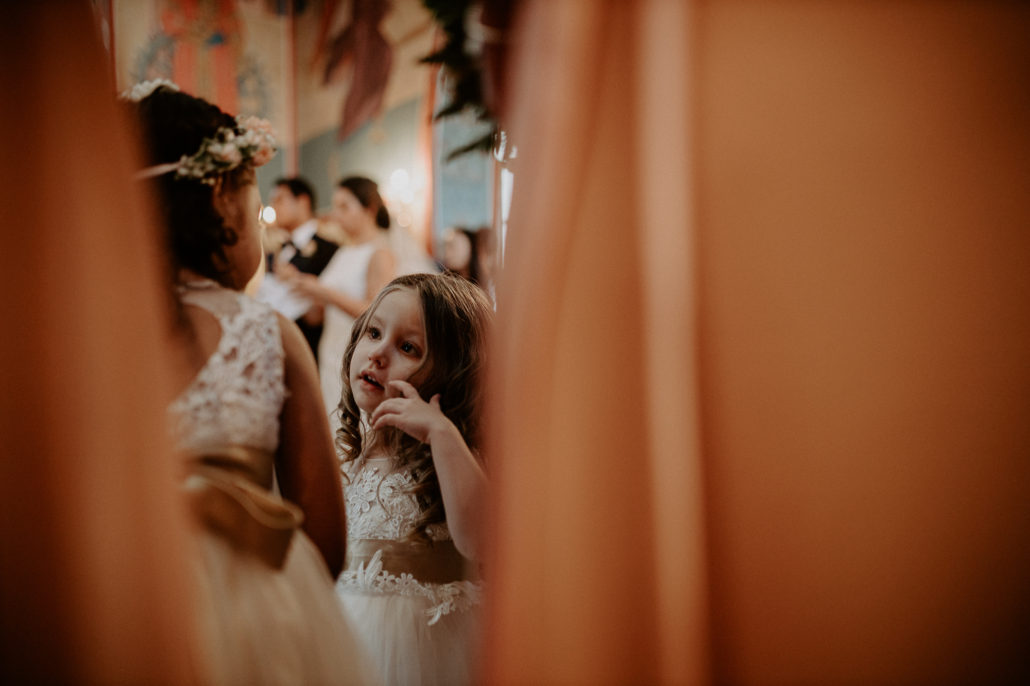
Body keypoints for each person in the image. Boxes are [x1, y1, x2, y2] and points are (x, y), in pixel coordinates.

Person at [129, 82, 376, 685]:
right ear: (220, 196)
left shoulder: (76, 338)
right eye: (252, 198)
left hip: (123, 609)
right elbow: (324, 539)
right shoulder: (265, 331)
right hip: (259, 626)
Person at [334, 272, 491, 686]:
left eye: (408, 347)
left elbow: (480, 537)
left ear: (453, 374)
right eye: (373, 332)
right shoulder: (354, 454)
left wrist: (442, 434)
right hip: (352, 641)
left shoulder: (452, 453)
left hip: (428, 651)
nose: (378, 354)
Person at [279, 176, 396, 430]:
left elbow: (376, 313)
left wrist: (323, 292)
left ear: (369, 210)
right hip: (330, 349)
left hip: (356, 352)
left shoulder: (380, 253)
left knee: (352, 430)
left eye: (345, 207)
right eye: (335, 206)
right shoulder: (343, 252)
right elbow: (318, 316)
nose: (336, 214)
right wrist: (300, 287)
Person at [258, 176, 338, 361]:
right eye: (272, 201)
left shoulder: (329, 249)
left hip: (308, 348)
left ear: (302, 202)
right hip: (272, 347)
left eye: (279, 199)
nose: (274, 206)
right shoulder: (274, 248)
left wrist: (295, 279)